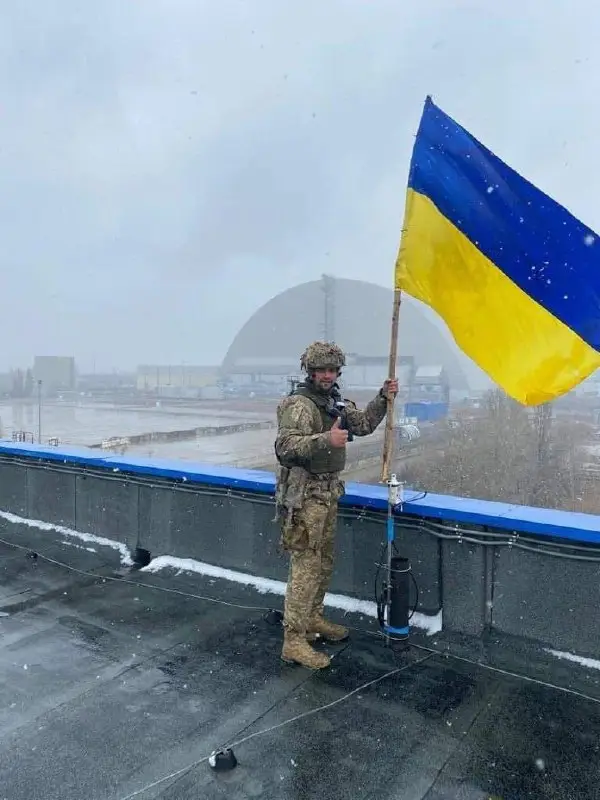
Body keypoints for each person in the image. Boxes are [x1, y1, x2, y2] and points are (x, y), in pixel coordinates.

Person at [274, 341, 398, 669]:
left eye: (332, 370)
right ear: (310, 371)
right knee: (305, 567)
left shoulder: (335, 402)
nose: (327, 375)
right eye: (321, 370)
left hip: (327, 494)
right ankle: (293, 640)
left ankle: (312, 618)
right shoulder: (299, 405)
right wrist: (325, 440)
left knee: (324, 563)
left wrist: (383, 398)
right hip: (305, 497)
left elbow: (363, 424)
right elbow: (285, 447)